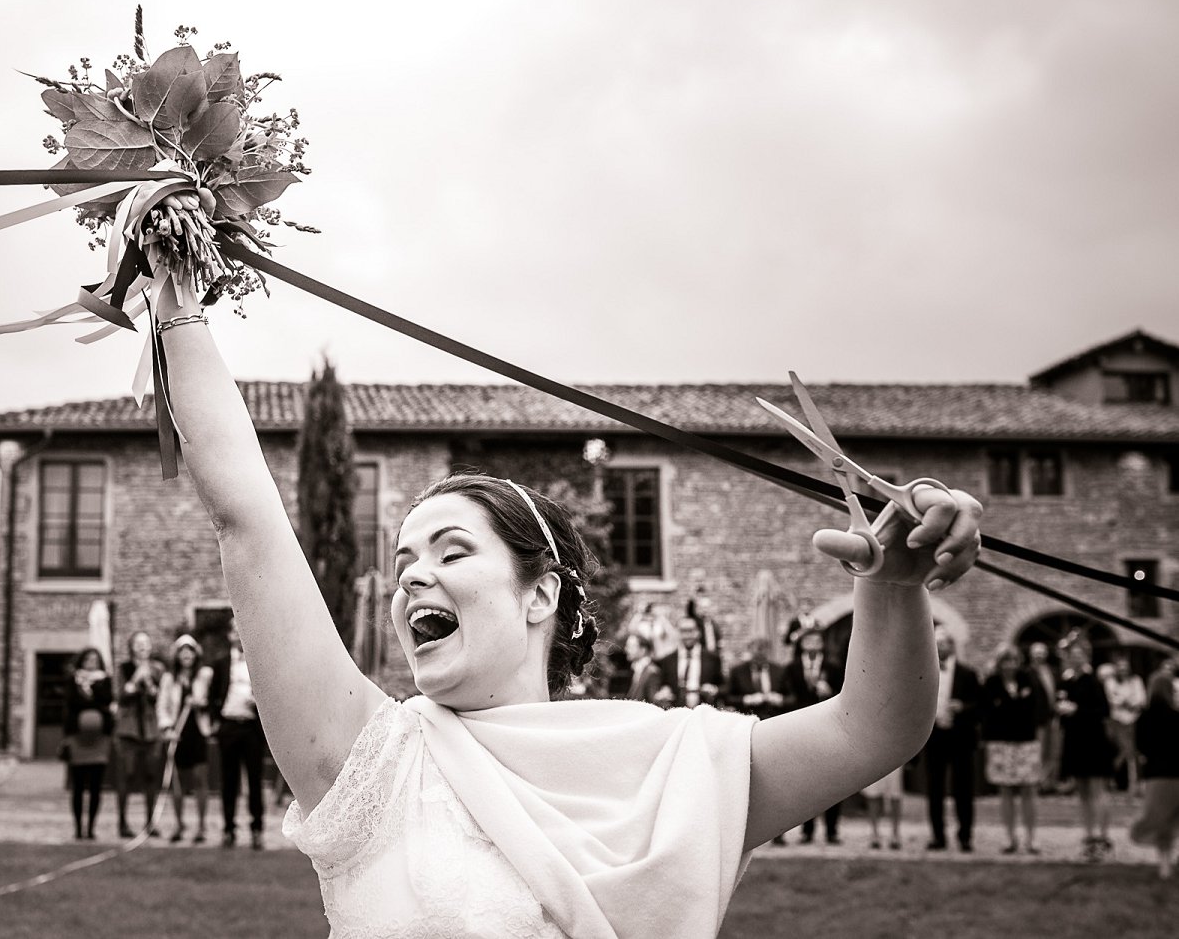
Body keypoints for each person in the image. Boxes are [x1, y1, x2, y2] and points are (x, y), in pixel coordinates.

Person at [149, 270, 982, 937]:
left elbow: (872, 727)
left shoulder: (667, 758)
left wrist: (892, 590)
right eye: (403, 560)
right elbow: (249, 519)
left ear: (540, 591)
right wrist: (173, 279)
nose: (410, 578)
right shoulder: (369, 761)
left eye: (451, 551)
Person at [980, 643, 1047, 855]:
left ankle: (1032, 837)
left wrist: (1010, 708)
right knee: (1005, 790)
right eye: (1005, 661)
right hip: (1001, 743)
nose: (1009, 665)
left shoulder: (1029, 680)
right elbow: (988, 714)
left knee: (1029, 790)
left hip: (1026, 741)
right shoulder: (991, 683)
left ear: (1018, 662)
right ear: (999, 663)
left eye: (1013, 661)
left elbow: (1037, 709)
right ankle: (1010, 837)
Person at [208, 618, 267, 850]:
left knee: (254, 780)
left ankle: (257, 829)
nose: (238, 634)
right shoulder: (221, 664)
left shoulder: (259, 663)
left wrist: (257, 702)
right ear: (230, 636)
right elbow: (213, 695)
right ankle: (229, 829)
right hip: (229, 727)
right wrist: (217, 722)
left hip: (251, 728)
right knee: (228, 781)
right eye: (234, 630)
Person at [727, 637, 792, 845]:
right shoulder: (738, 671)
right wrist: (747, 700)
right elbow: (727, 697)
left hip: (774, 730)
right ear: (749, 650)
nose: (760, 652)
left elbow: (793, 698)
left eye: (764, 648)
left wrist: (780, 699)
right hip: (745, 731)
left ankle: (777, 831)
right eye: (756, 648)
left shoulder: (780, 671)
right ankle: (744, 831)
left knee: (775, 781)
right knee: (746, 779)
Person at [1056, 634, 1115, 862]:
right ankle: (1089, 836)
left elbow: (1103, 712)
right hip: (1074, 741)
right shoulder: (1067, 681)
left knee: (1097, 789)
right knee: (1081, 791)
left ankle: (1103, 837)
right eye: (1072, 654)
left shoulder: (1094, 682)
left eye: (1080, 654)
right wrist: (1062, 711)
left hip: (1094, 741)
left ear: (1086, 656)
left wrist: (1076, 710)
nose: (1076, 658)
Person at [783, 628, 845, 844]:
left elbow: (845, 695)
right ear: (801, 644)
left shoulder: (833, 667)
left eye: (817, 640)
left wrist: (830, 692)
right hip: (802, 725)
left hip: (829, 726)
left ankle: (832, 830)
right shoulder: (791, 668)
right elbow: (786, 696)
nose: (812, 644)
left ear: (822, 644)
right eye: (808, 640)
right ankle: (807, 830)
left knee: (832, 779)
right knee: (805, 780)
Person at [922, 627, 980, 853]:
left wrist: (963, 707)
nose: (940, 646)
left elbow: (980, 706)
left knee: (963, 789)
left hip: (961, 738)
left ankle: (965, 836)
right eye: (936, 642)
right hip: (934, 737)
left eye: (944, 642)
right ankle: (938, 836)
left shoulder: (968, 674)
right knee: (934, 789)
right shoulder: (924, 672)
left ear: (952, 646)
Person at [158, 633, 214, 844]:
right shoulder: (169, 679)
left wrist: (201, 703)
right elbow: (162, 706)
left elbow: (213, 700)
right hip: (178, 735)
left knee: (200, 779)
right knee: (178, 783)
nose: (186, 655)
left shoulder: (205, 675)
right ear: (177, 655)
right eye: (182, 651)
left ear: (195, 654)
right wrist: (167, 728)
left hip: (198, 733)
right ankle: (179, 824)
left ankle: (201, 826)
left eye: (189, 650)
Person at [1131, 659, 1179, 878]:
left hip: (1157, 774)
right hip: (1177, 772)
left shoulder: (1144, 718)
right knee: (1175, 817)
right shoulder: (1176, 717)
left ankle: (1165, 865)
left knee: (1161, 821)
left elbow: (1141, 747)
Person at [115, 630, 165, 838]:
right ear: (131, 647)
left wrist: (152, 686)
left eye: (146, 642)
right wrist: (137, 678)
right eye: (138, 643)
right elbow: (121, 696)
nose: (142, 646)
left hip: (151, 730)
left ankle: (150, 822)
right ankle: (123, 822)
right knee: (126, 776)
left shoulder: (158, 669)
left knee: (151, 776)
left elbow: (162, 697)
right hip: (129, 730)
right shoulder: (124, 669)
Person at [62, 647, 113, 840]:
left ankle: (91, 828)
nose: (92, 662)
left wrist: (91, 690)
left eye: (95, 659)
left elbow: (106, 700)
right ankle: (77, 828)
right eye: (88, 659)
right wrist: (87, 693)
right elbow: (72, 703)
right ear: (81, 661)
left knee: (95, 785)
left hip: (100, 740)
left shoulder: (105, 680)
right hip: (78, 739)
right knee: (78, 785)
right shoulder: (72, 680)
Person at [653, 615, 726, 710]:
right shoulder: (667, 660)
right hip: (676, 714)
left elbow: (725, 687)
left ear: (698, 632)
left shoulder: (713, 658)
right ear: (677, 632)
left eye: (691, 630)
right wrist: (664, 691)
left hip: (704, 713)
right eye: (683, 631)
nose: (687, 635)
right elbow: (662, 685)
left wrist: (714, 690)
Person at [1103, 652, 1147, 796]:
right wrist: (1127, 700)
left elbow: (1141, 700)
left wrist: (1127, 701)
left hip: (1134, 721)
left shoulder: (1136, 681)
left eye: (1125, 667)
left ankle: (1133, 784)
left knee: (1132, 753)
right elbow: (1111, 699)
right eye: (1120, 667)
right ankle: (1115, 781)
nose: (1123, 670)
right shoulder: (1110, 682)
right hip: (1117, 721)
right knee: (1124, 752)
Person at [1027, 641, 1062, 792]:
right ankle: (1038, 783)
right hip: (1037, 719)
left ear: (1046, 654)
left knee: (1054, 751)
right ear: (1031, 655)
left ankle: (1050, 782)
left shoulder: (1053, 672)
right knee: (1038, 751)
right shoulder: (1028, 673)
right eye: (1036, 653)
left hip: (1053, 717)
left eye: (1042, 652)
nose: (1039, 655)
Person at [861, 765, 905, 851]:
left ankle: (895, 834)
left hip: (895, 758)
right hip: (874, 759)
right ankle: (874, 834)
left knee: (895, 794)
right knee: (873, 794)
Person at [622, 632, 656, 703]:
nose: (626, 650)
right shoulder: (636, 670)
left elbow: (653, 704)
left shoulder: (652, 672)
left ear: (643, 650)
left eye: (630, 646)